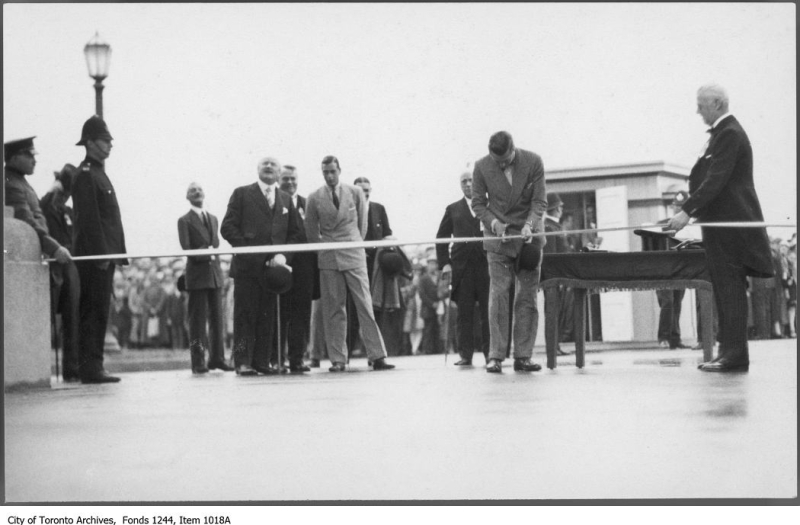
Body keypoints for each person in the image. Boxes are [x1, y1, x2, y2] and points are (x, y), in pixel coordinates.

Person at [666, 84, 774, 372]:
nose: (697, 110)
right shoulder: (721, 134)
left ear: (717, 103)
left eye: (701, 105)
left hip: (730, 230)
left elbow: (716, 179)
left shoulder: (729, 134)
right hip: (719, 229)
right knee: (725, 291)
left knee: (730, 290)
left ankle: (734, 355)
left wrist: (687, 212)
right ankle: (729, 352)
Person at [304, 155, 395, 372]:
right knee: (334, 309)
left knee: (365, 305)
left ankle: (378, 356)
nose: (329, 176)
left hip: (354, 253)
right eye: (325, 172)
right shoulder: (314, 197)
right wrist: (325, 249)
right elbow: (310, 231)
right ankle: (338, 359)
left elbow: (362, 225)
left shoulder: (354, 193)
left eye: (332, 171)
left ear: (339, 170)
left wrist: (354, 244)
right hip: (329, 257)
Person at [471, 131, 547, 373]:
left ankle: (523, 356)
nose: (501, 164)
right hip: (498, 239)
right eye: (497, 161)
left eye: (505, 160)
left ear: (514, 148)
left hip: (528, 237)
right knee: (498, 297)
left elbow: (539, 202)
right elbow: (478, 203)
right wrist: (493, 224)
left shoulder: (534, 161)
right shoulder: (481, 167)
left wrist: (529, 226)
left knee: (527, 296)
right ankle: (495, 356)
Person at [220, 156, 302, 376]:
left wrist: (282, 255)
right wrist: (250, 252)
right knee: (245, 316)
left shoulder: (285, 199)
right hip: (248, 268)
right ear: (257, 169)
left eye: (273, 164)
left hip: (273, 271)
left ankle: (261, 361)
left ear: (278, 172)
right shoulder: (242, 193)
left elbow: (295, 233)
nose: (268, 167)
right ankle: (243, 362)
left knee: (267, 315)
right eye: (264, 164)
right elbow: (227, 227)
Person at [4, 139, 76, 380]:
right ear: (13, 158)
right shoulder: (11, 184)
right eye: (28, 155)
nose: (34, 159)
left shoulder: (21, 183)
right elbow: (27, 220)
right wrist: (53, 247)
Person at [70, 116, 127, 383]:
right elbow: (90, 220)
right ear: (90, 143)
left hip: (104, 254)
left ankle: (94, 365)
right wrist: (102, 254)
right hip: (96, 257)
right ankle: (90, 368)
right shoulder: (85, 175)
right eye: (105, 141)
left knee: (100, 310)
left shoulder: (97, 173)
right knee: (93, 310)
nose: (110, 146)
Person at [435, 171, 490, 365]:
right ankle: (465, 355)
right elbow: (441, 239)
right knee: (464, 314)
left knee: (488, 313)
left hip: (486, 267)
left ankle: (491, 354)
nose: (467, 184)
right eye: (463, 181)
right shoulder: (453, 209)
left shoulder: (489, 207)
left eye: (471, 180)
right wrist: (445, 264)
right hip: (462, 269)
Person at [177, 182, 232, 374]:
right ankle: (198, 361)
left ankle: (217, 359)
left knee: (218, 319)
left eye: (199, 189)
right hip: (197, 275)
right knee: (197, 321)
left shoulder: (213, 218)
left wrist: (210, 254)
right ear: (187, 196)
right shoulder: (184, 220)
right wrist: (207, 253)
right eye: (192, 190)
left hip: (214, 274)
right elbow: (187, 248)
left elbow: (215, 244)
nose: (197, 192)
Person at [277, 165, 315, 372]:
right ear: (278, 180)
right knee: (281, 313)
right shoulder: (274, 202)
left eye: (293, 179)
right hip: (282, 266)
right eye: (285, 179)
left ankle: (297, 359)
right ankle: (278, 358)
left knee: (301, 313)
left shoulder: (307, 204)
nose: (290, 183)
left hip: (304, 267)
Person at [655, 191, 690, 349]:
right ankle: (664, 337)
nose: (678, 209)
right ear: (672, 207)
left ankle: (675, 338)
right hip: (663, 270)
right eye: (676, 206)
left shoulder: (688, 227)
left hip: (680, 269)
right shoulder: (662, 224)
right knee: (667, 302)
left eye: (681, 207)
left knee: (677, 302)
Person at [542, 192, 576, 355]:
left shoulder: (554, 226)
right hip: (554, 278)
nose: (561, 209)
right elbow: (552, 256)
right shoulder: (550, 227)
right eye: (560, 207)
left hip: (558, 277)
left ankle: (555, 346)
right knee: (552, 312)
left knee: (556, 312)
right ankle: (552, 347)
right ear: (556, 209)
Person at [417, 255, 443, 354]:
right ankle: (427, 350)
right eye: (431, 264)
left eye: (435, 264)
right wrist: (432, 304)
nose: (434, 266)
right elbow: (422, 294)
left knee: (437, 330)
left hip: (439, 308)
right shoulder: (423, 278)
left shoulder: (439, 277)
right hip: (427, 309)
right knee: (428, 330)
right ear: (427, 265)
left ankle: (437, 349)